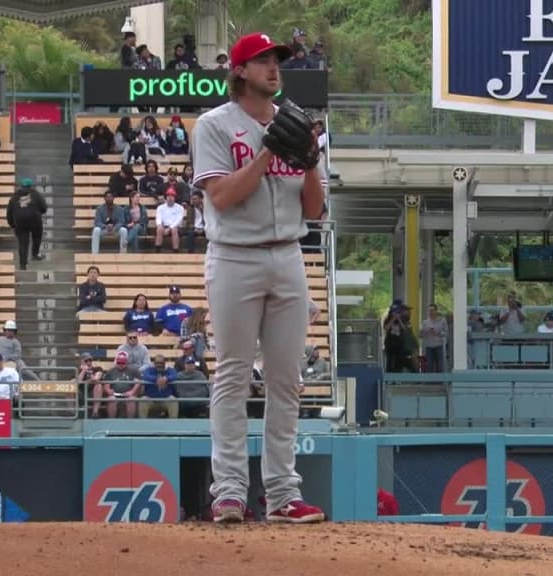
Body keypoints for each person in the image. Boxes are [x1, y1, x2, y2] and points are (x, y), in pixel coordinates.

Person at [192, 32, 328, 524]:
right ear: (240, 71)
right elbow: (222, 198)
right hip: (233, 256)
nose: (274, 67)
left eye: (277, 59)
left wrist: (308, 160)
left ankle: (282, 494)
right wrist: (269, 152)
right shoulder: (214, 125)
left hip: (288, 254)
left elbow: (314, 209)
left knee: (286, 380)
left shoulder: (297, 123)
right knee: (231, 376)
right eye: (263, 60)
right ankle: (228, 491)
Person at [6, 178, 48, 270]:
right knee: (37, 236)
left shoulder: (15, 196)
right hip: (34, 219)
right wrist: (38, 211)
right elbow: (44, 208)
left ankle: (22, 264)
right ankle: (34, 254)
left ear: (21, 186)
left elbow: (9, 211)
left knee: (23, 243)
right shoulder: (36, 194)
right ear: (31, 186)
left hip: (20, 221)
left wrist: (12, 224)